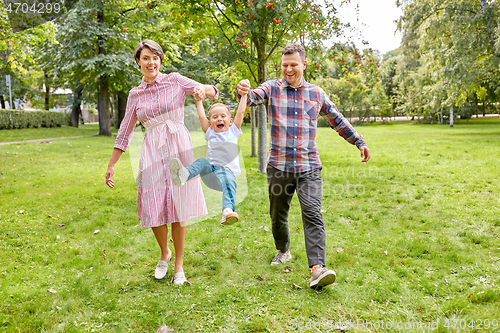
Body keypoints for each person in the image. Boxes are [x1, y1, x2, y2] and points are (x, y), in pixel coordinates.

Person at [236, 44, 371, 289]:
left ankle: (317, 269)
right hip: (279, 166)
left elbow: (336, 119)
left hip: (309, 166)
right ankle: (283, 250)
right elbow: (253, 96)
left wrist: (358, 141)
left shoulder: (317, 94)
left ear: (303, 64)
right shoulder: (272, 88)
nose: (288, 69)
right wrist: (243, 90)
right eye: (284, 65)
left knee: (312, 214)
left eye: (293, 65)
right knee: (278, 215)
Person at [105, 40, 218, 285]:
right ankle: (164, 252)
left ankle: (178, 267)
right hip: (152, 149)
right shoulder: (135, 94)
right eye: (146, 58)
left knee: (178, 205)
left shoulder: (175, 80)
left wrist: (203, 91)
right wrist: (112, 163)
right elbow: (125, 131)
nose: (151, 62)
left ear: (160, 60)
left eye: (155, 57)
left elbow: (211, 90)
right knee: (154, 204)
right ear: (138, 61)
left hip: (178, 146)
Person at [169, 91, 247, 225]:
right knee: (202, 162)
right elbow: (201, 117)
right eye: (215, 117)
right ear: (210, 122)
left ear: (230, 121)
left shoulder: (233, 131)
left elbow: (240, 112)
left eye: (223, 116)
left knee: (228, 179)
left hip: (226, 173)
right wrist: (199, 101)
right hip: (210, 174)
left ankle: (227, 211)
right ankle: (184, 174)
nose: (219, 119)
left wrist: (244, 95)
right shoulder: (210, 132)